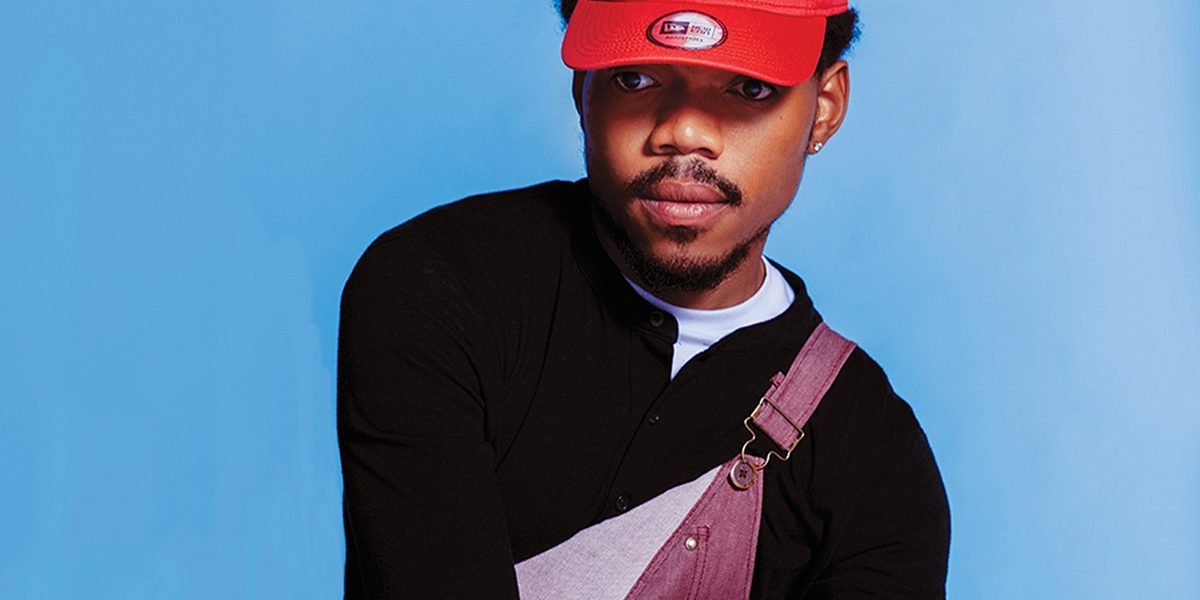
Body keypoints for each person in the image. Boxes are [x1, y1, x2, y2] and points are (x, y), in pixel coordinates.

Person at [337, 0, 951, 597]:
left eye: (749, 88)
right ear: (582, 91)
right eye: (635, 78)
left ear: (824, 108)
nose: (683, 131)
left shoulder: (874, 459)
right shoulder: (441, 288)